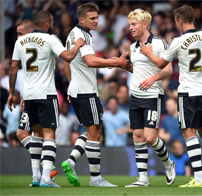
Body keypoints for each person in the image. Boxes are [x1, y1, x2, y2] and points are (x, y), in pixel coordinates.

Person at [139, 5, 202, 188]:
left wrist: (149, 53)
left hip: (187, 93)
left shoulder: (178, 41)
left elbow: (161, 63)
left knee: (189, 134)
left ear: (180, 21)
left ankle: (199, 179)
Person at [8, 10, 86, 188]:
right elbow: (67, 57)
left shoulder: (20, 41)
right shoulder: (51, 39)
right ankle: (46, 179)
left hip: (29, 96)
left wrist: (12, 92)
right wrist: (78, 45)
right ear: (47, 23)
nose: (52, 25)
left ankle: (36, 177)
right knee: (49, 135)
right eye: (51, 22)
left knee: (36, 134)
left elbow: (13, 67)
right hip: (46, 93)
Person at [61, 3, 130, 188]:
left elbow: (67, 62)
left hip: (78, 89)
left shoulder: (73, 35)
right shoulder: (81, 35)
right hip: (86, 91)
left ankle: (72, 161)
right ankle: (95, 178)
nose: (96, 21)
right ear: (81, 19)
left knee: (92, 130)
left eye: (97, 17)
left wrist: (70, 85)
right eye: (92, 18)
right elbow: (90, 62)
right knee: (95, 133)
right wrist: (115, 62)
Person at [121, 8, 176, 188]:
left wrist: (153, 78)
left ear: (145, 25)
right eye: (130, 24)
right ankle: (143, 179)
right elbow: (139, 70)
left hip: (153, 95)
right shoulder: (133, 46)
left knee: (151, 137)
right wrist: (126, 67)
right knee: (138, 137)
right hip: (135, 95)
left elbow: (168, 70)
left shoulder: (159, 43)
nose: (130, 27)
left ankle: (168, 163)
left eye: (134, 24)